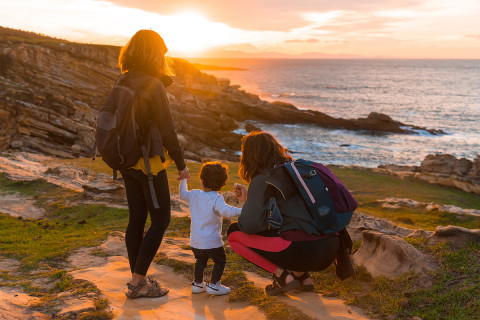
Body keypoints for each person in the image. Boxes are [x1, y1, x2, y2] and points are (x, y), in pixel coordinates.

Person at [116, 30, 190, 299]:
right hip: (149, 164)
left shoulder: (123, 78)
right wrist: (181, 163)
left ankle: (138, 279)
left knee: (136, 218)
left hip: (125, 160)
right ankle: (138, 283)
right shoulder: (153, 84)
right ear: (154, 53)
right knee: (161, 220)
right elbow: (168, 130)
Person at [228, 131, 340, 296]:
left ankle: (283, 277)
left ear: (250, 155)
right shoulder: (297, 169)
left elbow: (250, 225)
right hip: (331, 248)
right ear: (276, 148)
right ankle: (304, 279)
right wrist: (250, 199)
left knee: (234, 233)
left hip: (305, 250)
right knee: (290, 231)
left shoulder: (262, 178)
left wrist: (250, 204)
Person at [179, 161, 242, 295]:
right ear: (222, 184)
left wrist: (184, 180)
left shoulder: (194, 194)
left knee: (200, 260)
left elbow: (182, 193)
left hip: (196, 242)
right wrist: (243, 211)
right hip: (212, 242)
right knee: (220, 260)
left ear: (202, 180)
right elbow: (227, 211)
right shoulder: (216, 198)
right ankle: (214, 285)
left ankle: (197, 284)